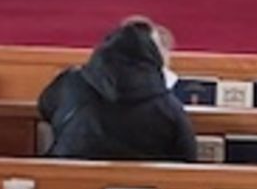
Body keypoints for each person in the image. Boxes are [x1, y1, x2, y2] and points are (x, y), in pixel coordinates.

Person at [38, 17, 196, 162]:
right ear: (153, 59)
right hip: (141, 188)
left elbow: (45, 107)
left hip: (67, 181)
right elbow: (187, 157)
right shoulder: (166, 105)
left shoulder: (71, 82)